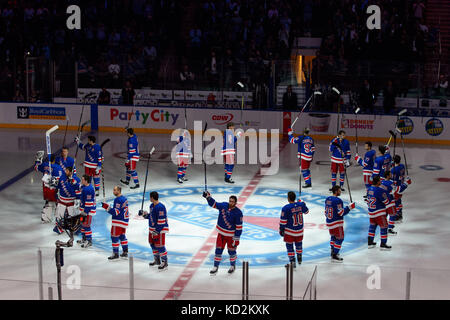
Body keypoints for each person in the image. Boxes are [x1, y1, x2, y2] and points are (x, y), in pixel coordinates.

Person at [203, 190, 243, 275]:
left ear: (236, 203)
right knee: (218, 250)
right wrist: (208, 197)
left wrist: (236, 239)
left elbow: (239, 227)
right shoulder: (224, 205)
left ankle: (232, 266)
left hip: (230, 236)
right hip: (221, 234)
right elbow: (214, 204)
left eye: (232, 201)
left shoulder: (238, 213)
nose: (230, 203)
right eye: (230, 201)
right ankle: (215, 266)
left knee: (231, 251)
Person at [139, 191, 169, 270]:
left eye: (150, 197)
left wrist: (157, 231)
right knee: (152, 243)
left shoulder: (160, 207)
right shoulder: (152, 206)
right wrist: (143, 214)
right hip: (152, 229)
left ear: (152, 197)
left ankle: (164, 261)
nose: (149, 198)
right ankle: (157, 260)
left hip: (160, 229)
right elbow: (151, 216)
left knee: (160, 245)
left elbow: (162, 221)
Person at [325, 185, 355, 262]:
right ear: (336, 191)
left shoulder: (327, 199)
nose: (340, 191)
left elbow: (325, 212)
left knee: (333, 237)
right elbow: (341, 213)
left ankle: (332, 251)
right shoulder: (338, 200)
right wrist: (349, 207)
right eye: (339, 190)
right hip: (336, 223)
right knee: (340, 238)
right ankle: (335, 254)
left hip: (329, 222)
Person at [279, 191, 309, 267]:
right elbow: (307, 211)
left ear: (288, 198)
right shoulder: (300, 205)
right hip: (299, 231)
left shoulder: (286, 208)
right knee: (299, 244)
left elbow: (283, 221)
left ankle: (292, 262)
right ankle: (299, 257)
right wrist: (303, 205)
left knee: (289, 246)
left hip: (290, 231)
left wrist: (281, 229)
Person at [366, 176, 396, 250]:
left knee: (372, 227)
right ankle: (383, 244)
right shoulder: (379, 190)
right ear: (377, 182)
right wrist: (391, 196)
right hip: (379, 212)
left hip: (371, 212)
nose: (381, 182)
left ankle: (370, 242)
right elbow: (386, 201)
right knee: (384, 227)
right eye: (380, 181)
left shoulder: (369, 189)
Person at [34, 153, 64, 223]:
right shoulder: (58, 167)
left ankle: (46, 219)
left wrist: (38, 159)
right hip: (54, 189)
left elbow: (36, 167)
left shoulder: (44, 165)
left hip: (46, 190)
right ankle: (59, 219)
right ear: (54, 160)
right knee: (58, 204)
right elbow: (61, 179)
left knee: (49, 202)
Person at [101, 186, 129, 261]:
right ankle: (125, 251)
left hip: (118, 221)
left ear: (119, 191)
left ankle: (116, 253)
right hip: (124, 221)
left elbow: (116, 212)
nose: (113, 191)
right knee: (122, 236)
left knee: (114, 236)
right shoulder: (124, 198)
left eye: (115, 190)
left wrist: (107, 207)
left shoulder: (118, 199)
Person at [53, 167, 81, 235]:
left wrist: (75, 184)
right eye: (66, 170)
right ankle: (60, 228)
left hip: (71, 202)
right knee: (59, 215)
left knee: (73, 217)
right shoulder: (62, 177)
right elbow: (57, 186)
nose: (66, 172)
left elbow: (80, 189)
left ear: (71, 172)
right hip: (62, 200)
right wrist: (54, 184)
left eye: (67, 171)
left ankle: (75, 228)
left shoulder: (76, 179)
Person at [77, 174, 96, 248]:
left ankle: (89, 240)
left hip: (87, 211)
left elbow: (89, 202)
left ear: (86, 180)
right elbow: (81, 188)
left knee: (86, 225)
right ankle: (84, 238)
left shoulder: (89, 189)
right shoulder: (86, 187)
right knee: (82, 224)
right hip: (84, 209)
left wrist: (85, 212)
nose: (81, 181)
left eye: (82, 180)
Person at [391, 155, 411, 223]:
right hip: (401, 185)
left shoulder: (393, 170)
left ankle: (397, 214)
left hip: (396, 188)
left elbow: (391, 177)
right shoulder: (402, 166)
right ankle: (400, 213)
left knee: (395, 202)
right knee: (399, 200)